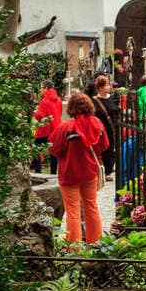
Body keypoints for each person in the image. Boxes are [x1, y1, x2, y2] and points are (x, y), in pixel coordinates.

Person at [51, 92, 107, 244]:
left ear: (71, 108)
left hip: (69, 173)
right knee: (91, 207)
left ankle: (74, 249)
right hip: (89, 171)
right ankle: (96, 243)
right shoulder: (96, 124)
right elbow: (103, 145)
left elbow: (54, 149)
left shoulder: (65, 127)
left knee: (73, 211)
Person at [32, 84, 62, 174]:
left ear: (46, 88)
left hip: (45, 130)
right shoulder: (59, 100)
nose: (40, 90)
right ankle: (53, 173)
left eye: (41, 87)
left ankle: (38, 172)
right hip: (55, 129)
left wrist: (35, 113)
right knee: (53, 152)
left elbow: (41, 116)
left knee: (36, 149)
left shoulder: (44, 101)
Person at [91, 74, 117, 181]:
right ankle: (98, 169)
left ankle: (108, 171)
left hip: (110, 128)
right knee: (99, 149)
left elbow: (115, 111)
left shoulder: (112, 98)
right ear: (100, 88)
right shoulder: (94, 100)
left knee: (110, 149)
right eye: (106, 85)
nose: (109, 87)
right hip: (99, 128)